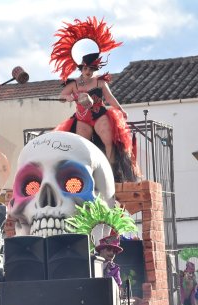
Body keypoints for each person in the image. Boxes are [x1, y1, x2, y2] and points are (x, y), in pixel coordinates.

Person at [50, 17, 139, 182]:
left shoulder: (100, 81)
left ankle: (111, 172)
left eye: (91, 69)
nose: (88, 71)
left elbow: (109, 97)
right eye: (86, 68)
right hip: (82, 117)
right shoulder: (74, 83)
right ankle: (83, 174)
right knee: (81, 145)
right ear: (81, 68)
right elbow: (62, 96)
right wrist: (70, 98)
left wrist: (120, 109)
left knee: (108, 140)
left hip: (99, 114)